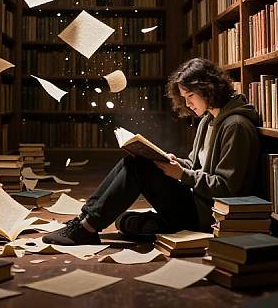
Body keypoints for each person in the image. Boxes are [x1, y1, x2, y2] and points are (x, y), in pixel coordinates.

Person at [42, 57, 260, 246]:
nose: (187, 103)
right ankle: (85, 220)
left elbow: (228, 189)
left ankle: (86, 228)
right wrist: (176, 163)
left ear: (208, 88)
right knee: (133, 165)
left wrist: (181, 174)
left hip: (208, 214)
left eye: (190, 95)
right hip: (195, 200)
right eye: (184, 97)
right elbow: (196, 166)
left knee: (139, 168)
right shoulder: (208, 121)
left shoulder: (236, 126)